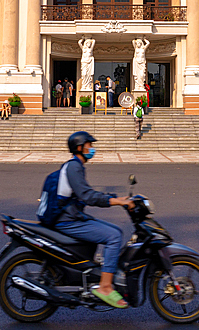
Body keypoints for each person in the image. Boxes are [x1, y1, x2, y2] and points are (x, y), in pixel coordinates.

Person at [53, 131, 134, 309]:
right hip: (67, 221)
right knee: (112, 236)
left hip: (72, 216)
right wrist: (115, 201)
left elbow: (86, 194)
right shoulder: (74, 166)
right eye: (89, 145)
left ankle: (101, 274)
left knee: (116, 231)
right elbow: (87, 196)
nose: (92, 149)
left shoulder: (76, 166)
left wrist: (114, 197)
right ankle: (105, 286)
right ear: (79, 148)